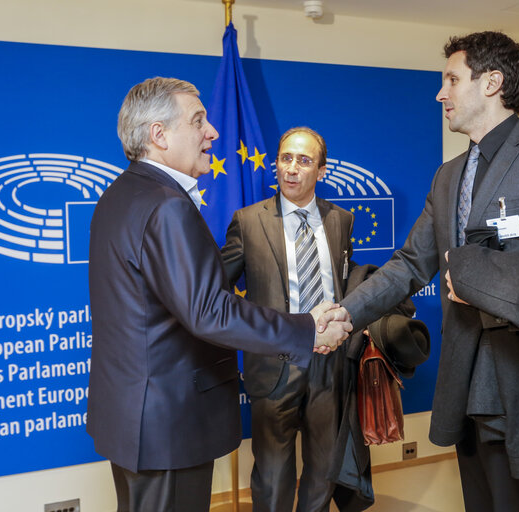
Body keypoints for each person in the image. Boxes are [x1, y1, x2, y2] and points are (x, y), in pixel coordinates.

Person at [332, 31, 519, 512]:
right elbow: (408, 265)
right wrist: (344, 313)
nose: (440, 93)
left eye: (450, 79)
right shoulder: (448, 175)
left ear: (492, 82)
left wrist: (479, 279)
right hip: (464, 378)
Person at [86, 77, 351, 512]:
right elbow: (209, 310)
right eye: (198, 121)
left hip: (135, 417)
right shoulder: (167, 205)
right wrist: (307, 330)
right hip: (168, 422)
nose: (212, 133)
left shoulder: (119, 195)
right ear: (159, 135)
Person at [221, 127, 353, 512]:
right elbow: (215, 290)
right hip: (274, 365)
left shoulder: (341, 220)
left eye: (304, 160)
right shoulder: (247, 221)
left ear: (322, 171)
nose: (292, 169)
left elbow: (342, 283)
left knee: (325, 470)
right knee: (274, 477)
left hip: (329, 364)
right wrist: (252, 331)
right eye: (285, 158)